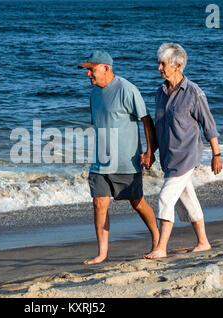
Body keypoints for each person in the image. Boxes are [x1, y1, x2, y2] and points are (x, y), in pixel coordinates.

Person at [78, 50, 160, 265]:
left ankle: (157, 238)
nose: (88, 75)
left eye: (91, 70)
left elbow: (146, 120)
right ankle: (102, 253)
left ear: (107, 68)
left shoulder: (126, 89)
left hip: (126, 160)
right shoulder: (94, 94)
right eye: (87, 70)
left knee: (137, 202)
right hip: (100, 161)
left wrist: (150, 152)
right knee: (99, 203)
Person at [144, 43, 223, 259]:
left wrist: (216, 155)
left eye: (163, 64)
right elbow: (158, 127)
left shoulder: (194, 93)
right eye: (159, 63)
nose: (159, 68)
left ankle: (161, 248)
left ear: (178, 65)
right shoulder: (159, 93)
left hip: (187, 155)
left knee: (165, 198)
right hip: (168, 158)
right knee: (187, 199)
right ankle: (203, 241)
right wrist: (150, 152)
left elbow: (209, 125)